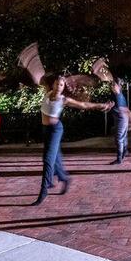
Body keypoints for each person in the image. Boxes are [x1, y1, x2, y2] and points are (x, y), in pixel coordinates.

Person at [32, 73, 114, 206]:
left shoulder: (63, 100)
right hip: (46, 130)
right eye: (57, 84)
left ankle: (44, 190)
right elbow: (38, 75)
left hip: (55, 130)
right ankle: (65, 178)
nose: (58, 86)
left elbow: (84, 105)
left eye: (61, 85)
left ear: (63, 87)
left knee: (48, 159)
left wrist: (101, 105)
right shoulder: (48, 93)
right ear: (53, 84)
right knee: (55, 157)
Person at [109, 79, 129, 164]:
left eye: (114, 85)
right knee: (123, 137)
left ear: (119, 86)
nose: (112, 87)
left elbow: (118, 109)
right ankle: (125, 151)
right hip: (121, 119)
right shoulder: (118, 95)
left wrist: (108, 106)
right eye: (111, 85)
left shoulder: (118, 96)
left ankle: (119, 159)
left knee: (119, 138)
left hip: (121, 119)